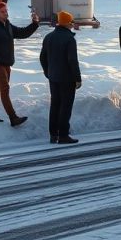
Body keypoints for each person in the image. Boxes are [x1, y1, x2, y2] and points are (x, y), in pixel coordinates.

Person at [0, 1, 39, 127]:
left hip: (6, 63)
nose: (6, 13)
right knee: (4, 89)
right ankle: (13, 117)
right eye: (3, 11)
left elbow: (22, 33)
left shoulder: (7, 25)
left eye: (6, 11)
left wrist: (34, 24)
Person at [40, 11, 82, 144]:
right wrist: (77, 78)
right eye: (71, 22)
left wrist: (48, 72)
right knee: (65, 106)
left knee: (55, 105)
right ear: (68, 23)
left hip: (53, 78)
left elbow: (42, 57)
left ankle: (53, 134)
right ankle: (63, 134)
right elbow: (72, 61)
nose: (72, 24)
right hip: (67, 78)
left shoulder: (48, 37)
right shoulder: (70, 39)